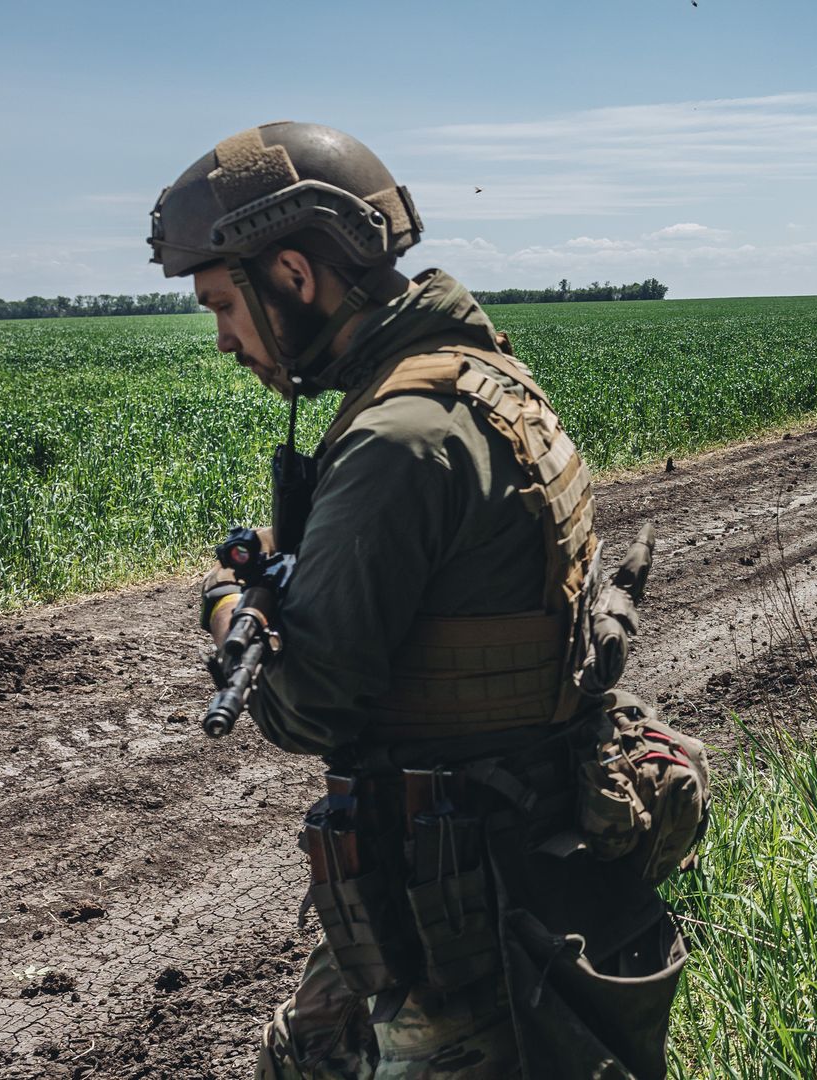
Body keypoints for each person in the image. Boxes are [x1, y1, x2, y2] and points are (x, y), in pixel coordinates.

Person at [150, 122, 695, 1078]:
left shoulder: (401, 438)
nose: (226, 340)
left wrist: (225, 606)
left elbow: (310, 701)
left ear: (293, 274)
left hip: (465, 903)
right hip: (527, 843)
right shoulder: (482, 378)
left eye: (224, 306)